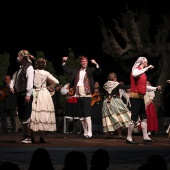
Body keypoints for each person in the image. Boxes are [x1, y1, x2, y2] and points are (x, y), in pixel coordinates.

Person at [62, 56, 101, 139]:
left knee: (87, 115)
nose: (84, 63)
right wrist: (63, 62)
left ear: (87, 62)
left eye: (86, 61)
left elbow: (98, 71)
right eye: (83, 61)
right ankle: (85, 132)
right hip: (78, 95)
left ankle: (90, 133)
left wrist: (96, 64)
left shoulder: (90, 70)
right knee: (81, 116)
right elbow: (67, 70)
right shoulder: (76, 70)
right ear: (80, 63)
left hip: (87, 95)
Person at [126, 57, 161, 144]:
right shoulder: (135, 70)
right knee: (134, 118)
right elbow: (134, 74)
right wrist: (147, 68)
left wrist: (155, 88)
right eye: (146, 62)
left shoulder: (142, 73)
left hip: (141, 97)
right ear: (143, 63)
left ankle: (146, 137)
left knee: (144, 118)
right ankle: (129, 138)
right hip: (135, 97)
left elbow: (144, 87)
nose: (147, 64)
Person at [30, 58, 59, 143]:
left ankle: (32, 136)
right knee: (42, 113)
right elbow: (56, 81)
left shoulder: (33, 72)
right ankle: (41, 137)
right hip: (43, 93)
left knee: (34, 113)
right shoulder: (46, 73)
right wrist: (49, 87)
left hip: (34, 92)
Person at [10, 50, 35, 144]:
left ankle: (28, 137)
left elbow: (30, 81)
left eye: (19, 56)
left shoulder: (29, 67)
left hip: (25, 94)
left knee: (26, 116)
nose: (18, 58)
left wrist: (28, 94)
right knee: (22, 116)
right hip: (20, 94)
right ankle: (25, 136)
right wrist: (12, 86)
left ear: (22, 57)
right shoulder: (20, 68)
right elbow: (14, 77)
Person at [102, 72, 132, 139]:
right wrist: (134, 85)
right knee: (118, 117)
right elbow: (125, 87)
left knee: (107, 117)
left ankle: (107, 134)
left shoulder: (106, 84)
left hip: (106, 101)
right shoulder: (115, 84)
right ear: (114, 78)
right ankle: (120, 135)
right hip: (114, 101)